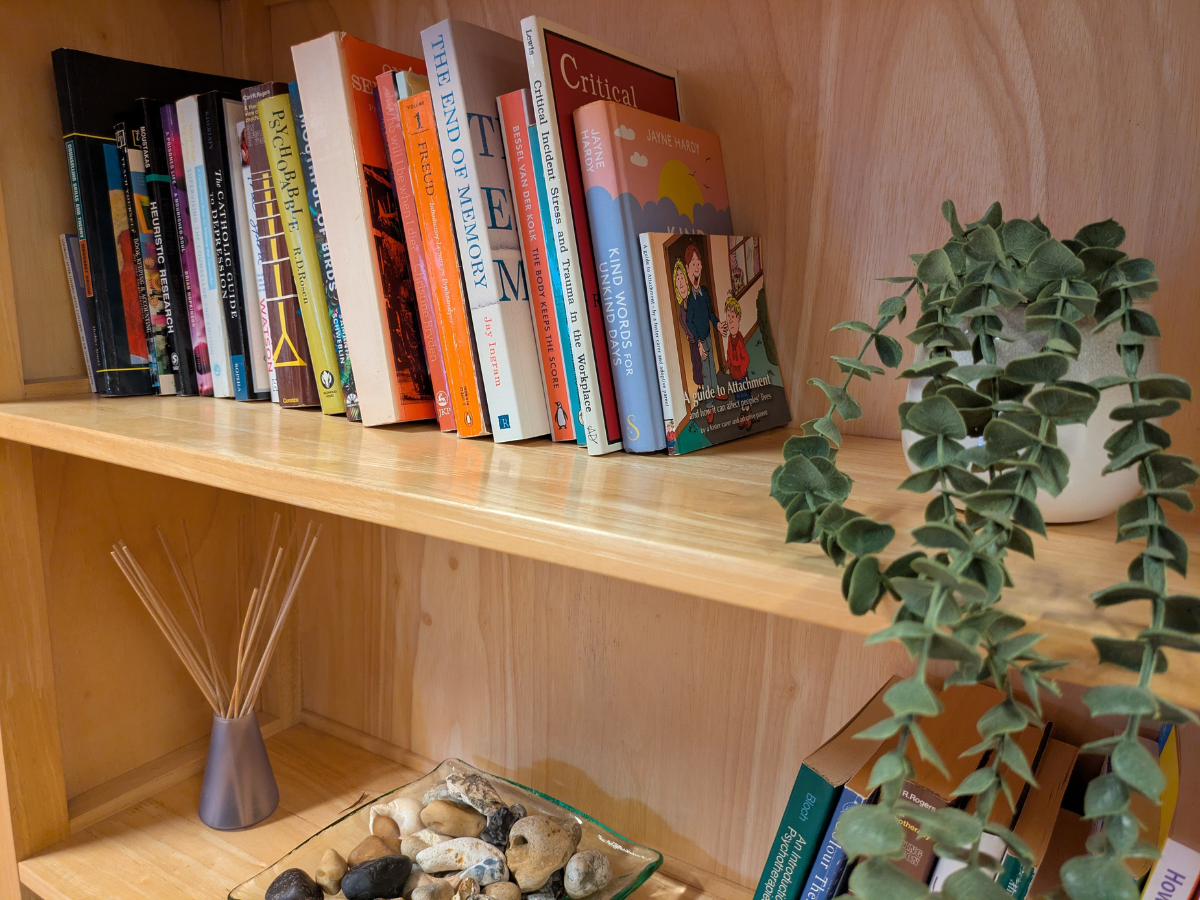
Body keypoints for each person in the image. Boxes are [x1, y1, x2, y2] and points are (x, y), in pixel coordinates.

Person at [681, 245, 723, 423]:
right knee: (705, 373)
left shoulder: (704, 292)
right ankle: (708, 406)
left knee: (712, 366)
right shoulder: (689, 300)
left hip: (708, 335)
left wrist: (718, 324)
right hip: (699, 339)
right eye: (693, 264)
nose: (696, 268)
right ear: (688, 270)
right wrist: (698, 343)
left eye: (699, 263)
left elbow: (710, 313)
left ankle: (715, 392)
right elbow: (690, 322)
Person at [724, 295, 752, 429]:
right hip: (734, 375)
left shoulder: (739, 340)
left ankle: (748, 413)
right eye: (728, 317)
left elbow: (746, 358)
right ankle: (743, 413)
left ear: (738, 319)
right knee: (739, 396)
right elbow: (729, 354)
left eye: (733, 317)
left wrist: (741, 371)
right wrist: (730, 365)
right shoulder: (729, 339)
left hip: (741, 375)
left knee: (745, 395)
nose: (730, 321)